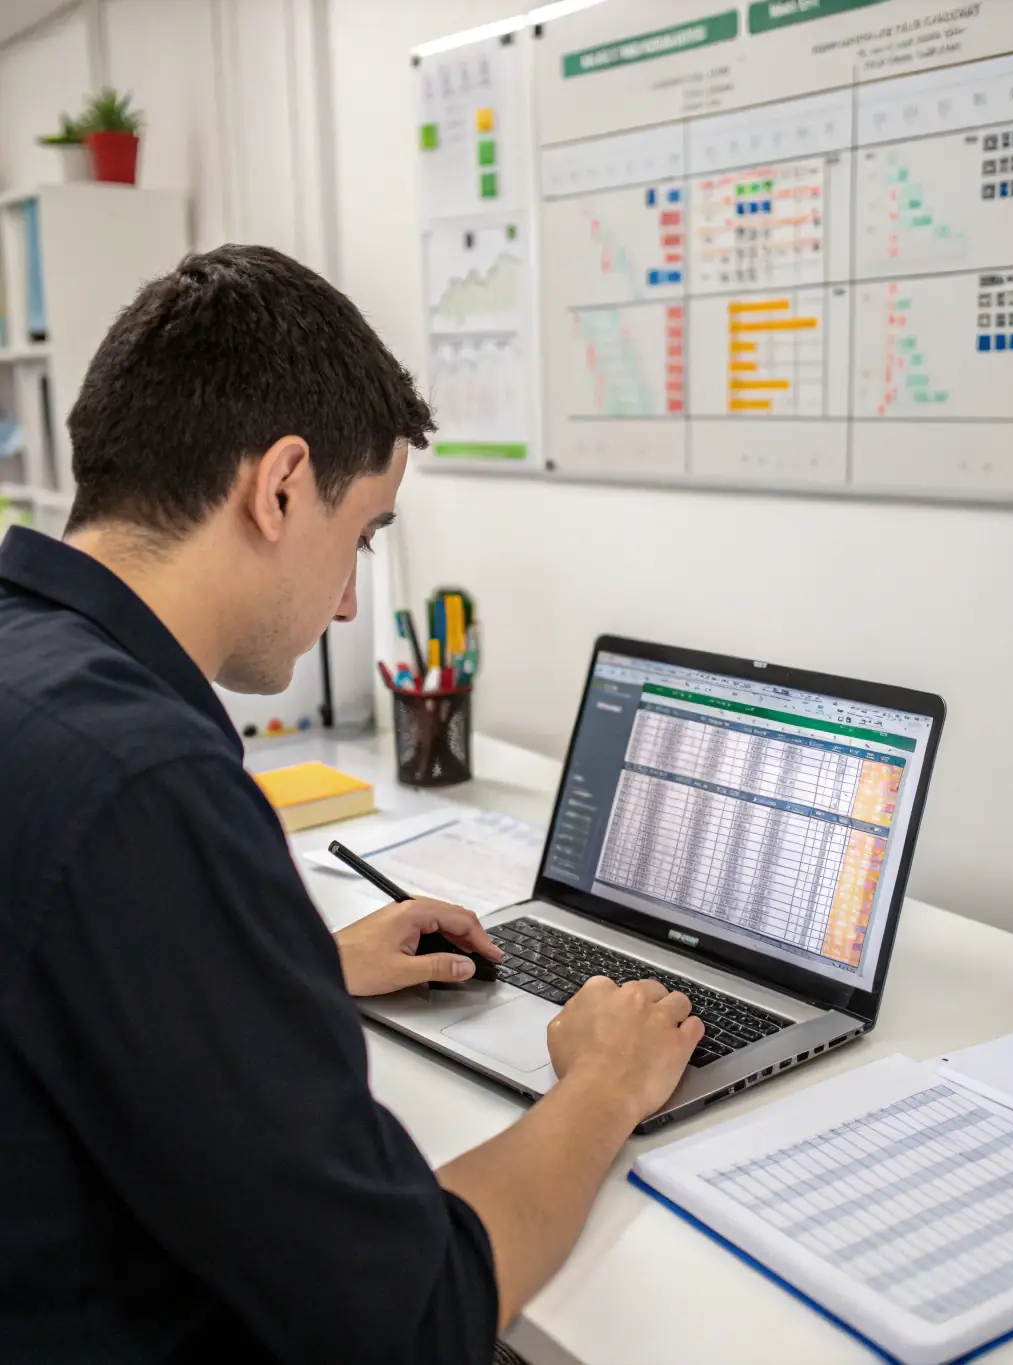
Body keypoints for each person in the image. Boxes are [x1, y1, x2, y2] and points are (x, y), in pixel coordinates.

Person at [0, 244, 703, 1364]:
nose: (347, 601)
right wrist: (604, 1088)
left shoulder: (33, 671)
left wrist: (287, 970)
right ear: (280, 486)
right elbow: (407, 1319)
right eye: (365, 533)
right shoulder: (148, 782)